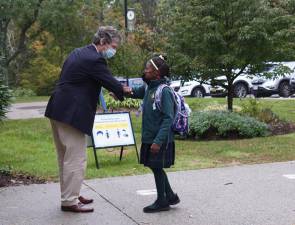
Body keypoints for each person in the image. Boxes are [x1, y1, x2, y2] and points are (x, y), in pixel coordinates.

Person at [45, 26, 124, 213]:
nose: (114, 51)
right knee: (76, 158)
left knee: (64, 157)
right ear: (103, 42)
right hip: (72, 113)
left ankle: (71, 193)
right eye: (113, 46)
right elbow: (110, 81)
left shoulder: (78, 52)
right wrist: (124, 90)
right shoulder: (95, 59)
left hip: (58, 108)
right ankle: (70, 201)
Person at [123, 55, 180, 213]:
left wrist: (158, 141)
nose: (144, 71)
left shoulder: (164, 91)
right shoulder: (150, 87)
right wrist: (123, 92)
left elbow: (168, 118)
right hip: (149, 136)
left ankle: (162, 200)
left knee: (156, 166)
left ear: (156, 73)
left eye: (147, 69)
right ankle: (170, 195)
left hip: (158, 138)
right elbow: (136, 92)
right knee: (155, 166)